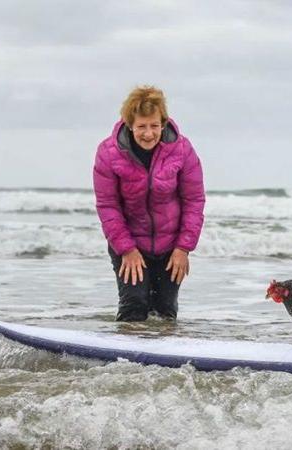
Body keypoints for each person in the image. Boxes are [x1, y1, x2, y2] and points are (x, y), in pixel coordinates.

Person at [93, 86, 205, 321]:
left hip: (171, 245)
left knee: (164, 312)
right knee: (134, 306)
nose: (148, 133)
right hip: (129, 243)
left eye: (154, 126)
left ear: (163, 123)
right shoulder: (108, 153)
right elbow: (107, 205)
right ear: (130, 123)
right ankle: (124, 358)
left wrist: (183, 248)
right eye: (142, 126)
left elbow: (194, 200)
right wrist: (127, 250)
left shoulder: (182, 150)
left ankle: (162, 358)